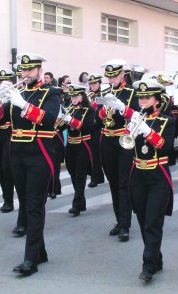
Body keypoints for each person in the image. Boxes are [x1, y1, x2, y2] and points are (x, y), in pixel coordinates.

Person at [0, 53, 61, 276]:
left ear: (40, 70)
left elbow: (50, 119)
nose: (25, 74)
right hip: (17, 154)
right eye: (23, 70)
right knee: (26, 202)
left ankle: (30, 259)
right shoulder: (17, 91)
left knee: (33, 205)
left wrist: (22, 104)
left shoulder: (51, 93)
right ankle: (40, 251)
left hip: (39, 153)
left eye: (30, 70)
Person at [122, 79, 175, 282]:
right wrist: (132, 129)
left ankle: (148, 265)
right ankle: (156, 257)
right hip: (138, 174)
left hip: (158, 175)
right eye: (140, 98)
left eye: (147, 98)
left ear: (157, 100)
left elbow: (167, 147)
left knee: (153, 221)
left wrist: (147, 131)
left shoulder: (167, 121)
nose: (142, 101)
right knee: (143, 220)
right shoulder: (134, 119)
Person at [98, 59, 139, 242]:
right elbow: (98, 117)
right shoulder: (105, 91)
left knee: (123, 183)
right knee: (113, 182)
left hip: (124, 140)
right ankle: (119, 221)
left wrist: (121, 108)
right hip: (107, 139)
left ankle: (125, 224)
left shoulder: (132, 93)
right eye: (109, 76)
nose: (111, 79)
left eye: (114, 75)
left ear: (123, 74)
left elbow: (138, 115)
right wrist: (103, 109)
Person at [60, 84, 93, 216]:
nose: (73, 98)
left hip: (83, 145)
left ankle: (77, 204)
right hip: (71, 146)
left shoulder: (88, 110)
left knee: (80, 175)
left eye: (76, 96)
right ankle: (81, 201)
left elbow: (87, 127)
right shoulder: (69, 109)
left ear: (82, 96)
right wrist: (60, 122)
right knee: (73, 173)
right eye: (72, 96)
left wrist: (72, 121)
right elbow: (63, 128)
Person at [0, 69, 17, 213]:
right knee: (0, 167)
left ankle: (9, 200)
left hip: (9, 132)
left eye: (6, 81)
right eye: (0, 81)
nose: (2, 84)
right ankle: (6, 196)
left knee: (7, 167)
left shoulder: (15, 97)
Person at [86, 74, 106, 187]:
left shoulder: (103, 94)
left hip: (99, 127)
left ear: (99, 83)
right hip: (90, 127)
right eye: (91, 84)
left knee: (96, 153)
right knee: (92, 154)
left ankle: (96, 177)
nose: (92, 86)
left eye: (94, 83)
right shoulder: (89, 95)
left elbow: (102, 111)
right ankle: (98, 176)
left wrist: (92, 105)